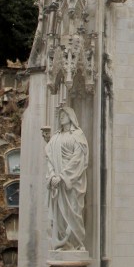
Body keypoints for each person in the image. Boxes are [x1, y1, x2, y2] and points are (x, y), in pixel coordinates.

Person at [45, 106, 88, 251]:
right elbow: (49, 159)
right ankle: (61, 243)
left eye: (64, 114)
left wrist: (62, 177)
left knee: (74, 211)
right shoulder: (55, 138)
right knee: (59, 216)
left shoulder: (78, 135)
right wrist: (52, 176)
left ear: (71, 116)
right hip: (57, 185)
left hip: (71, 184)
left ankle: (76, 243)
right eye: (60, 115)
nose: (61, 117)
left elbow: (78, 159)